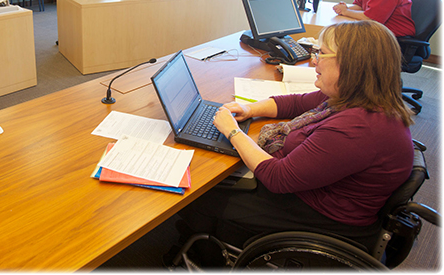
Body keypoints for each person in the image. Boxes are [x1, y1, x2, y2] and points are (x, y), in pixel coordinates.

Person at [175, 20, 414, 262]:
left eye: (321, 53)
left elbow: (279, 178)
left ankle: (201, 254)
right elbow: (297, 102)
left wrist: (233, 132)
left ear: (353, 64)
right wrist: (249, 109)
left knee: (201, 196)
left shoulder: (357, 128)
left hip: (322, 217)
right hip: (320, 192)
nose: (314, 60)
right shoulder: (360, 97)